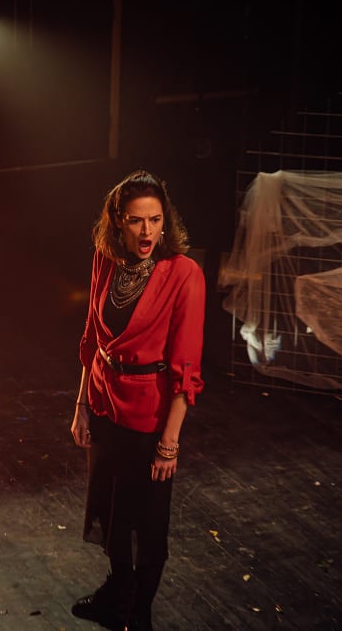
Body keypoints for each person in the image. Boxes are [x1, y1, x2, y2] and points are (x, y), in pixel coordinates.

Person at [70, 169, 205, 631]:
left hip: (150, 419)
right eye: (136, 221)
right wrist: (82, 405)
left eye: (155, 220)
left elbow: (187, 369)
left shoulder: (184, 274)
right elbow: (91, 338)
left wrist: (170, 442)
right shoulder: (105, 260)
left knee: (146, 528)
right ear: (118, 222)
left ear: (165, 221)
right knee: (112, 514)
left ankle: (139, 616)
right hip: (105, 405)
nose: (146, 231)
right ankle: (116, 599)